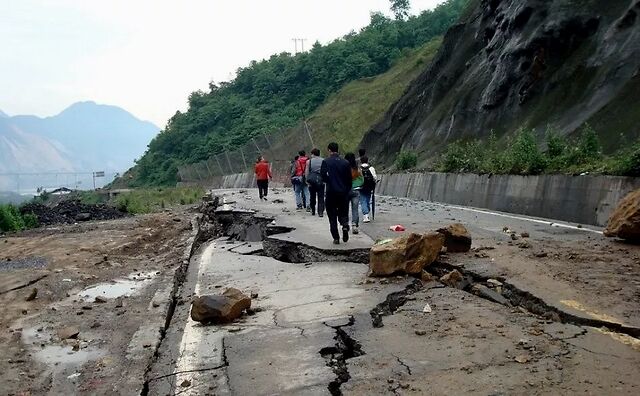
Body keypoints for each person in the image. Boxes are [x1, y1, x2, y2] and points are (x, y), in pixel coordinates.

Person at [321, 142, 352, 244]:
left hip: (331, 192)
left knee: (332, 215)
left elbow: (323, 176)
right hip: (343, 192)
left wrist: (329, 181)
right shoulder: (345, 163)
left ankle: (336, 237)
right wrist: (347, 190)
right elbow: (349, 179)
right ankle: (344, 225)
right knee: (343, 211)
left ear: (329, 150)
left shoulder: (326, 162)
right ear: (337, 150)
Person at [344, 152, 363, 234]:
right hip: (356, 190)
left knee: (345, 208)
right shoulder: (357, 168)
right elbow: (362, 179)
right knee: (355, 209)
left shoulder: (344, 167)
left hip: (346, 190)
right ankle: (354, 225)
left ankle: (345, 224)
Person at [305, 148, 325, 217]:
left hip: (312, 180)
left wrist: (307, 180)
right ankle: (320, 212)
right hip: (320, 180)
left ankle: (313, 210)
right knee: (321, 196)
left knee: (312, 196)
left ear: (313, 154)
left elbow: (307, 172)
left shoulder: (309, 161)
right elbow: (325, 171)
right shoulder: (323, 160)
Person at [359, 155, 378, 223]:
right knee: (367, 199)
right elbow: (375, 177)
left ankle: (366, 215)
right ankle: (367, 212)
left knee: (363, 200)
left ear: (361, 161)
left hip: (361, 187)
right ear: (367, 161)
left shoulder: (359, 169)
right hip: (370, 187)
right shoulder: (371, 168)